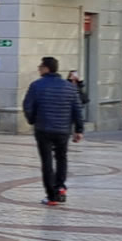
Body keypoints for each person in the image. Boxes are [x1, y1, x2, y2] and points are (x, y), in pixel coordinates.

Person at [23, 56, 84, 206]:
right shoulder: (69, 86)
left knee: (47, 161)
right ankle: (60, 188)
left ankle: (51, 196)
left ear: (46, 68)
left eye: (40, 66)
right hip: (63, 130)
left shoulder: (36, 85)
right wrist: (79, 129)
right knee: (62, 158)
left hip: (43, 128)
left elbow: (28, 106)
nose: (38, 68)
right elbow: (77, 108)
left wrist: (32, 120)